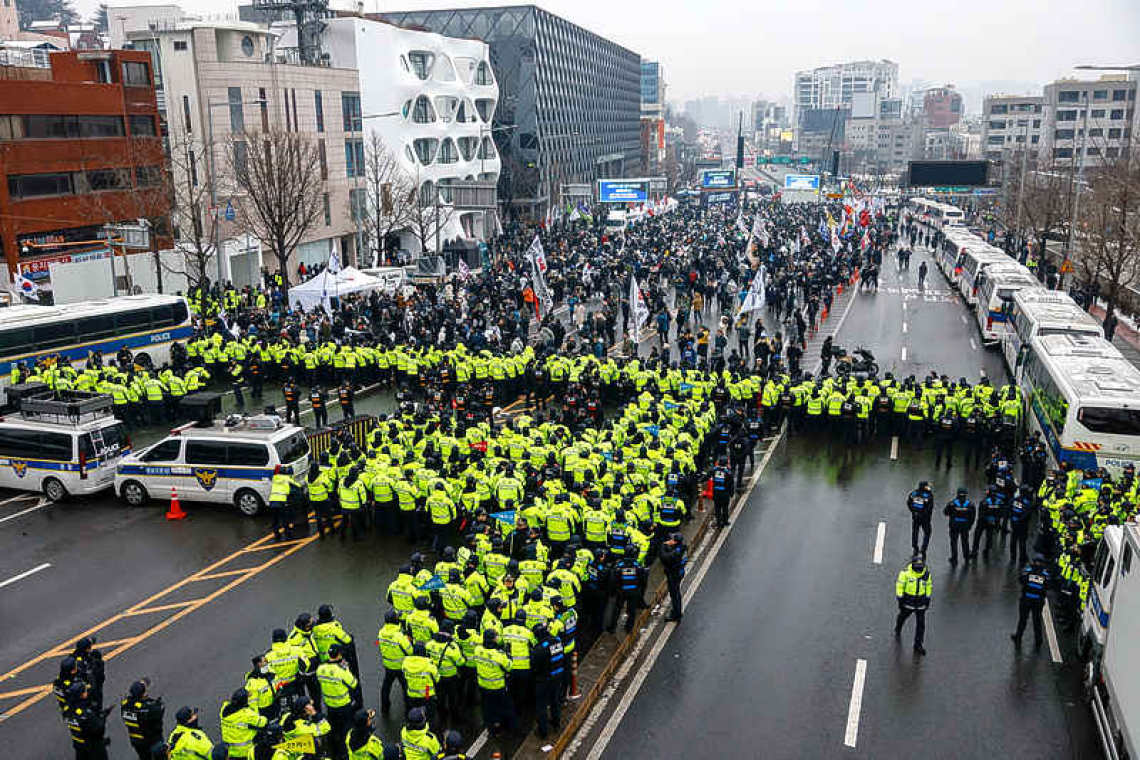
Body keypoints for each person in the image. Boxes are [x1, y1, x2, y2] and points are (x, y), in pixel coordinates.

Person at [316, 644, 359, 759]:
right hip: (343, 705)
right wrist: (346, 669)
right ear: (339, 654)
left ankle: (333, 751)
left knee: (333, 729)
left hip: (329, 705)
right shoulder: (341, 671)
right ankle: (344, 752)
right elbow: (354, 683)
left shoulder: (320, 669)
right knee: (346, 729)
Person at [530, 623, 564, 740]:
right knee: (555, 701)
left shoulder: (539, 649)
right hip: (558, 675)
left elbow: (534, 667)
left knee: (541, 706)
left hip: (544, 680)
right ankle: (556, 722)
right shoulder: (557, 640)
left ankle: (543, 732)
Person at [894, 555, 932, 656]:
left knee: (921, 625)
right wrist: (900, 598)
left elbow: (928, 586)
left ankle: (918, 645)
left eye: (921, 566)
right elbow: (900, 585)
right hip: (908, 602)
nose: (920, 568)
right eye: (918, 566)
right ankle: (898, 627)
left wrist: (928, 598)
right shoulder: (905, 574)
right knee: (903, 616)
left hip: (921, 603)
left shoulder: (926, 574)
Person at [64, 681, 112, 760]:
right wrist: (103, 718)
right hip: (92, 747)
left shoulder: (68, 708)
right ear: (82, 695)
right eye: (85, 690)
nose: (87, 692)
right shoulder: (86, 714)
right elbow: (99, 729)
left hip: (78, 743)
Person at [120, 679, 164, 760]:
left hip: (135, 740)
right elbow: (159, 712)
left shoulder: (125, 705)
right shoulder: (147, 709)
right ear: (143, 694)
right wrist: (157, 704)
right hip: (151, 740)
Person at [218, 688, 268, 760]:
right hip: (245, 751)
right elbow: (263, 722)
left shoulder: (224, 709)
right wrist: (252, 705)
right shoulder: (246, 715)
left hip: (230, 751)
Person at [1011, 556, 1050, 648]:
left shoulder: (1028, 570)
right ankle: (1038, 640)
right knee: (1037, 620)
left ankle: (1018, 636)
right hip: (1038, 600)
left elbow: (1021, 580)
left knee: (1023, 619)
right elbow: (1048, 586)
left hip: (1026, 599)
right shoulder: (1045, 574)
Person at [943, 487, 975, 565]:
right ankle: (966, 556)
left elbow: (945, 513)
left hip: (954, 526)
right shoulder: (970, 504)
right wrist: (970, 525)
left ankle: (954, 558)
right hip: (965, 526)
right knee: (965, 541)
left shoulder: (952, 503)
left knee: (954, 542)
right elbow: (972, 517)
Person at [660, 532, 687, 622]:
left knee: (675, 594)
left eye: (673, 540)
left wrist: (663, 546)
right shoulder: (683, 547)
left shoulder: (675, 554)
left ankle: (676, 615)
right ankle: (676, 611)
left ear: (675, 542)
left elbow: (664, 557)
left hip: (674, 575)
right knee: (676, 593)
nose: (670, 541)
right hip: (680, 571)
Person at [906, 481, 934, 557]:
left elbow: (908, 503)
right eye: (927, 486)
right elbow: (930, 508)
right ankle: (923, 549)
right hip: (925, 518)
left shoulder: (913, 493)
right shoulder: (928, 495)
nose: (929, 487)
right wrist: (925, 515)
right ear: (924, 487)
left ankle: (915, 547)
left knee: (915, 531)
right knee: (927, 533)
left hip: (915, 516)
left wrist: (913, 511)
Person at [710, 457, 734, 528]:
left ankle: (718, 522)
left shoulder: (714, 470)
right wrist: (731, 494)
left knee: (717, 508)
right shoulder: (728, 473)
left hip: (716, 493)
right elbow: (731, 485)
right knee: (725, 508)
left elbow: (707, 476)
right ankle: (725, 521)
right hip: (725, 494)